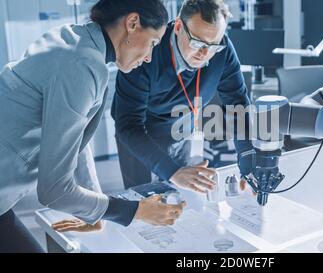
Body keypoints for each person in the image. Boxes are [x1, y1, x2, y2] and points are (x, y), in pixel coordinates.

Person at [0, 0, 185, 253]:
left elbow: (73, 140)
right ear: (132, 23)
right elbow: (54, 190)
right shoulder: (82, 64)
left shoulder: (77, 42)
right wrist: (134, 211)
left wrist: (94, 213)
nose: (150, 56)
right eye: (153, 42)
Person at [112, 0, 254, 194]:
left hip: (181, 132)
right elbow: (128, 125)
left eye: (213, 45)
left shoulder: (222, 49)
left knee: (182, 199)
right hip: (140, 137)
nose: (205, 53)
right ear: (178, 27)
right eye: (197, 42)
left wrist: (247, 154)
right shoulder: (146, 51)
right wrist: (172, 171)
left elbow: (237, 104)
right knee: (144, 203)